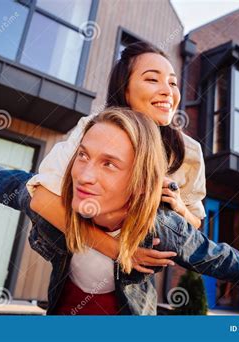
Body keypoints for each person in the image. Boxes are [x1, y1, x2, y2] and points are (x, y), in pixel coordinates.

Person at [0, 108, 239, 315]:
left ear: (141, 183)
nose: (84, 175)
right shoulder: (52, 208)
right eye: (83, 156)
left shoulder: (163, 229)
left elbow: (214, 255)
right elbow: (2, 181)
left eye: (109, 164)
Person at [27, 41, 207, 274]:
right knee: (12, 184)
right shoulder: (94, 129)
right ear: (125, 90)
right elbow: (42, 199)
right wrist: (118, 251)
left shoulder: (189, 152)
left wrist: (180, 208)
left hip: (136, 280)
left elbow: (195, 223)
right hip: (77, 258)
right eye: (152, 79)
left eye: (172, 82)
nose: (168, 91)